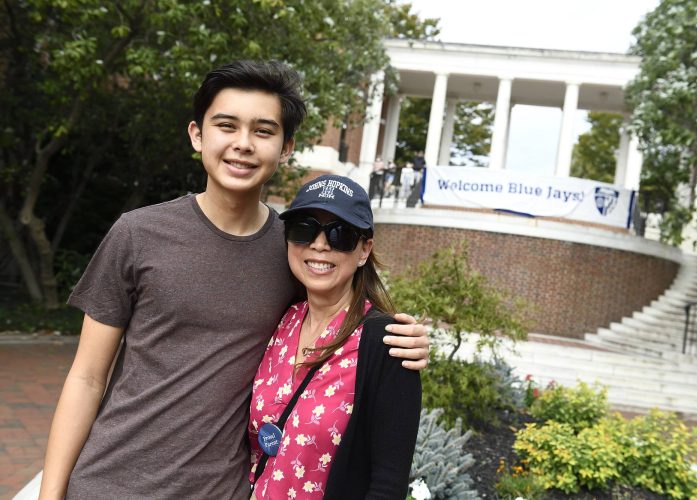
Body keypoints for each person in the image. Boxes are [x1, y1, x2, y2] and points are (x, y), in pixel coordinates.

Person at [39, 60, 429, 499]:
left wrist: (403, 339)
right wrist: (50, 494)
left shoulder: (294, 249)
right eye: (226, 125)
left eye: (263, 131)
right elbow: (86, 378)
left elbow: (342, 308)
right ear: (197, 134)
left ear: (286, 148)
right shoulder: (137, 233)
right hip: (110, 484)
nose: (243, 144)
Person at [247, 175, 421, 498]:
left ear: (364, 250)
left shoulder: (386, 344)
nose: (320, 244)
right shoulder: (284, 319)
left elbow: (388, 486)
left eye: (340, 234)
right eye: (304, 228)